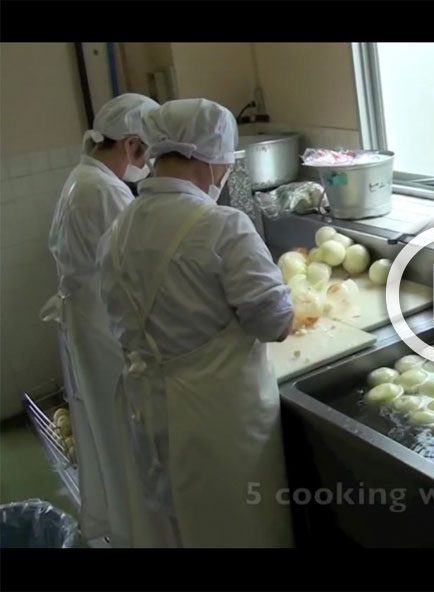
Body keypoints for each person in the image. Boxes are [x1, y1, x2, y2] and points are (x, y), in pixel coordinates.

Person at [96, 98, 295, 548]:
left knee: (179, 527)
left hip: (151, 410)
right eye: (225, 163)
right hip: (219, 420)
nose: (224, 173)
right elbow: (275, 322)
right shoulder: (223, 226)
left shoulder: (117, 232)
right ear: (208, 160)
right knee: (240, 530)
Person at [44, 93, 159, 547]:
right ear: (131, 145)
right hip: (104, 331)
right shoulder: (105, 191)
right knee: (122, 436)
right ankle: (137, 532)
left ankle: (124, 528)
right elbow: (137, 266)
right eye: (146, 154)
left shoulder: (82, 178)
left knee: (106, 434)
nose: (147, 165)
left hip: (88, 326)